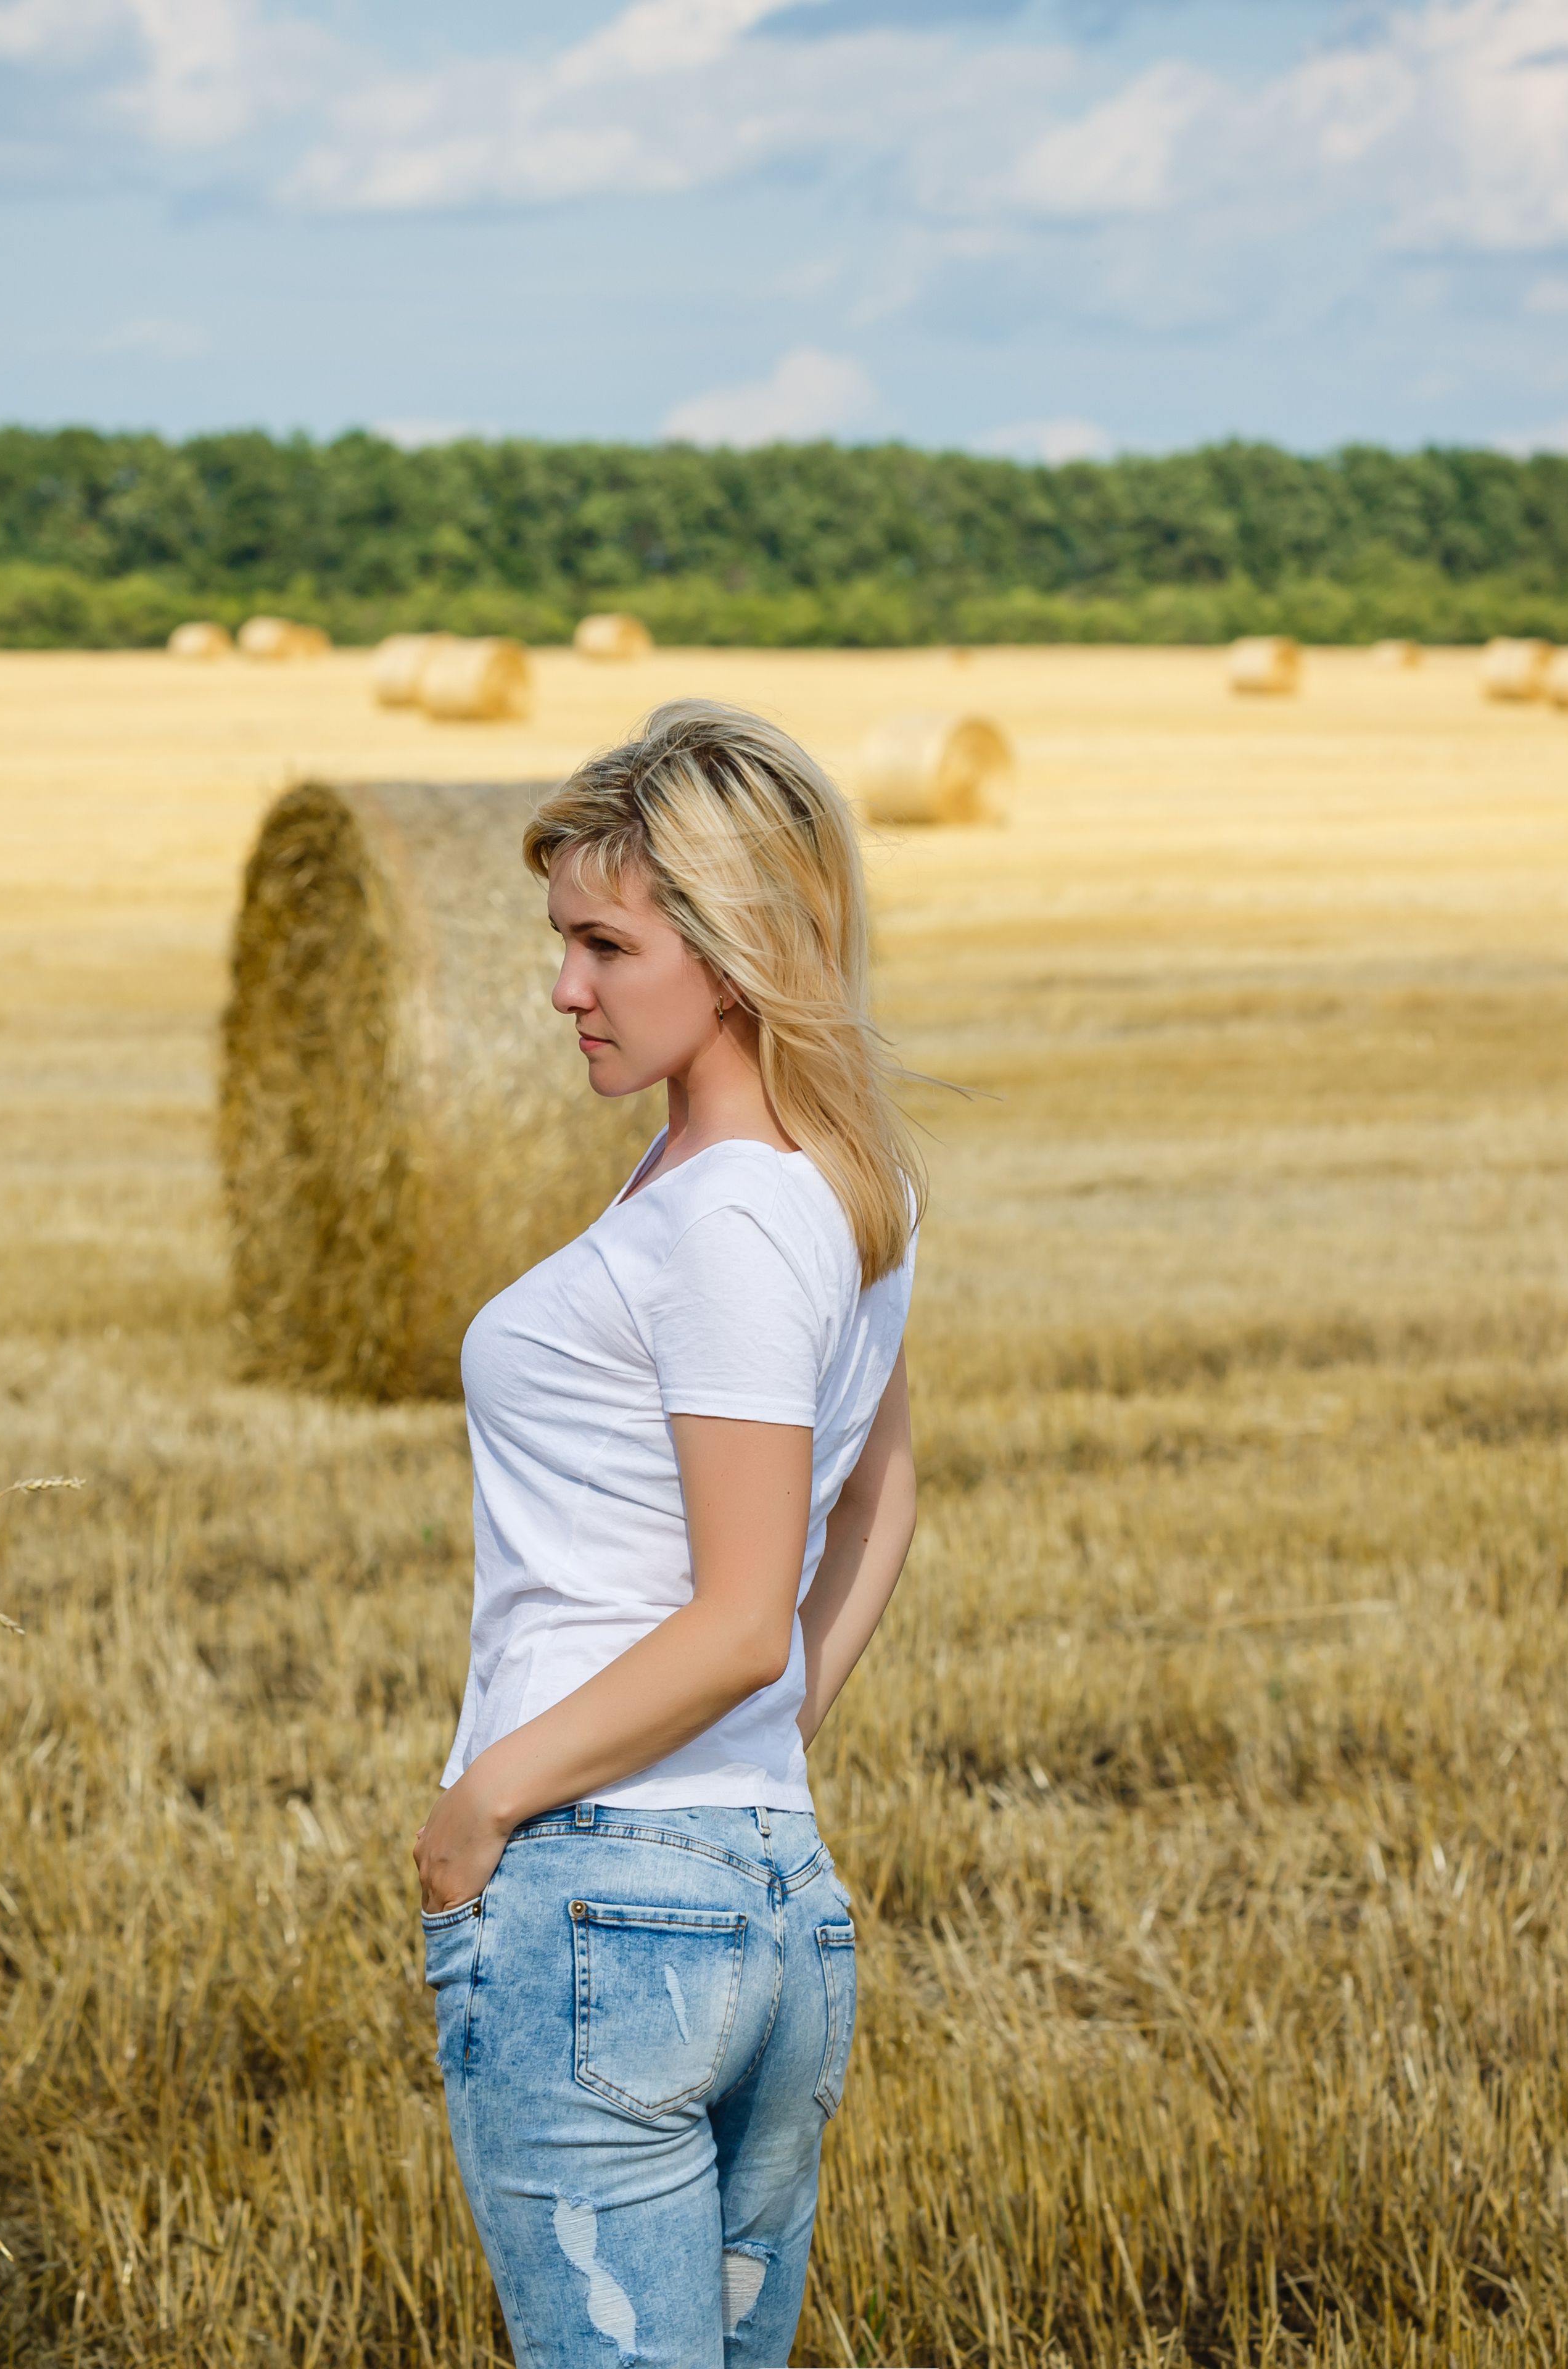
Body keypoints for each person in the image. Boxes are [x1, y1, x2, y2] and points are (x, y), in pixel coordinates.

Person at [415, 699, 924, 2368]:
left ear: (733, 947)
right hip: (769, 1894)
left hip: (602, 1894)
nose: (564, 987)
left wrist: (485, 1800)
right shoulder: (835, 1181)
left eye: (604, 944)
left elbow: (731, 1620)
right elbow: (882, 1498)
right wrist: (773, 1754)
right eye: (563, 941)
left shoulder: (727, 1215)